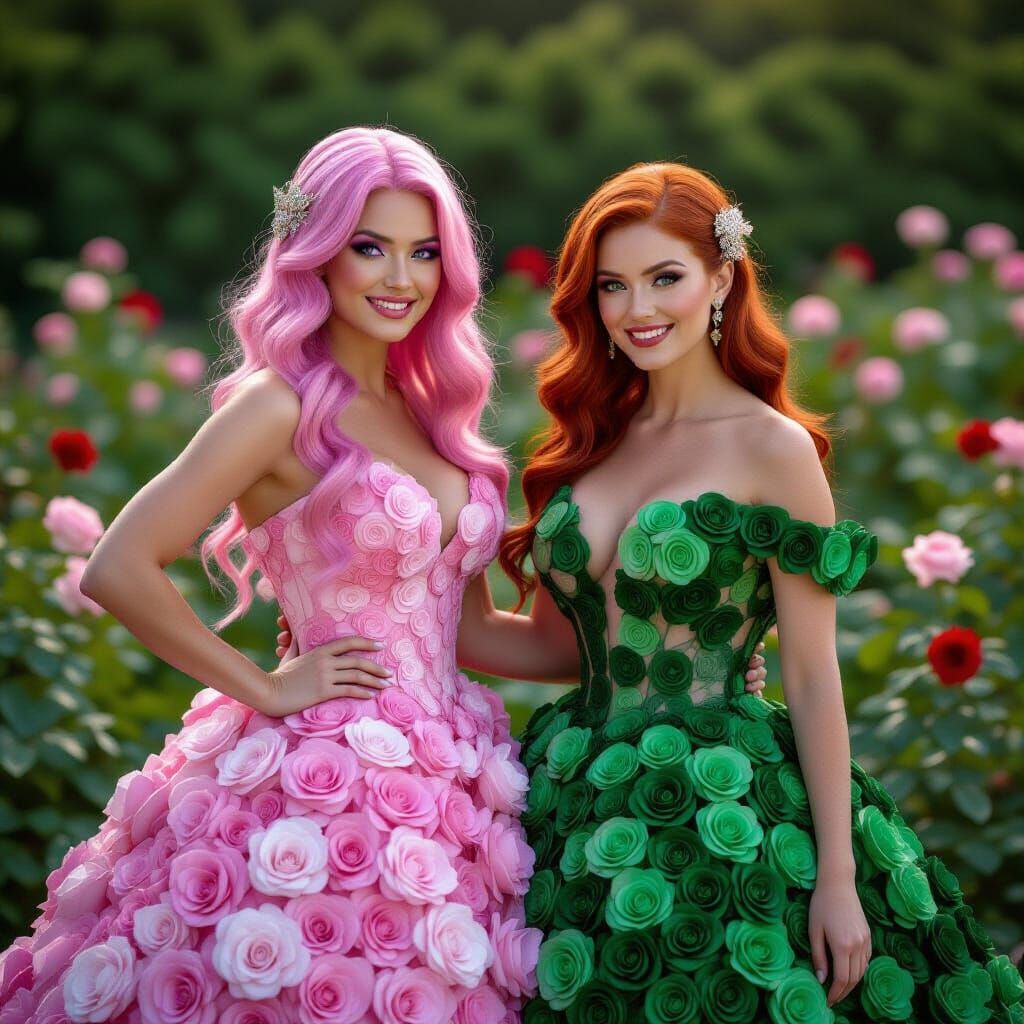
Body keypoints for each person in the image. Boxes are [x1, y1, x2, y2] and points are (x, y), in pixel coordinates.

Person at [0, 126, 542, 1024]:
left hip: (454, 785)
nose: (400, 278)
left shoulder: (435, 415)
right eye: (370, 248)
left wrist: (658, 655)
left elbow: (472, 631)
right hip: (319, 776)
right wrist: (264, 687)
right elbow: (119, 565)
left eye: (422, 252)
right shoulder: (277, 405)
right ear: (318, 252)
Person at [495, 162, 1024, 1022]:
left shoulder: (771, 448)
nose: (638, 309)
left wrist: (840, 883)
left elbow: (813, 677)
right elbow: (553, 648)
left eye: (664, 277)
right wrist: (370, 619)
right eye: (613, 286)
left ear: (721, 278)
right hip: (568, 804)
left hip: (723, 799)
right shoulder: (587, 442)